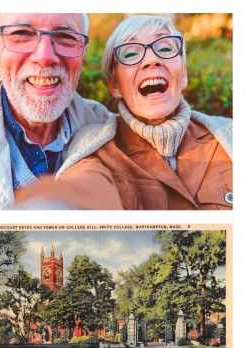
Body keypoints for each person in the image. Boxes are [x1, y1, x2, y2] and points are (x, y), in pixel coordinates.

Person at [24, 14, 231, 210]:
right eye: (131, 53)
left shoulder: (230, 135)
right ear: (114, 85)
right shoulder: (96, 150)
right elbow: (84, 188)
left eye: (165, 48)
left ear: (183, 74)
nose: (152, 60)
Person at [0, 13, 121, 210]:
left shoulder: (106, 128)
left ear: (83, 53)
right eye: (21, 34)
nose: (44, 57)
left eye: (65, 37)